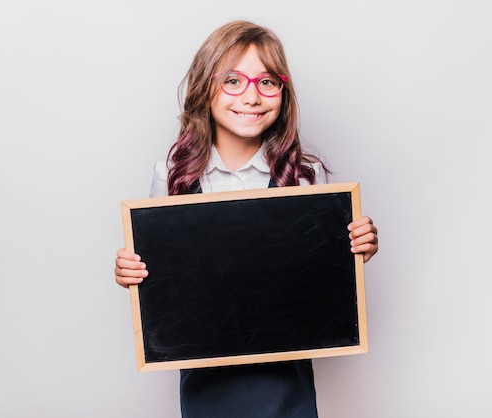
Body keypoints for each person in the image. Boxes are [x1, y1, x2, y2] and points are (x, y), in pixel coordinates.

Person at [114, 19, 379, 418]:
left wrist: (358, 245)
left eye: (268, 82)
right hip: (207, 384)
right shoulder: (172, 174)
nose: (252, 97)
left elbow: (326, 282)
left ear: (283, 93)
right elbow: (162, 281)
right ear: (206, 87)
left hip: (285, 386)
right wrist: (130, 271)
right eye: (234, 81)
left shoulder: (305, 177)